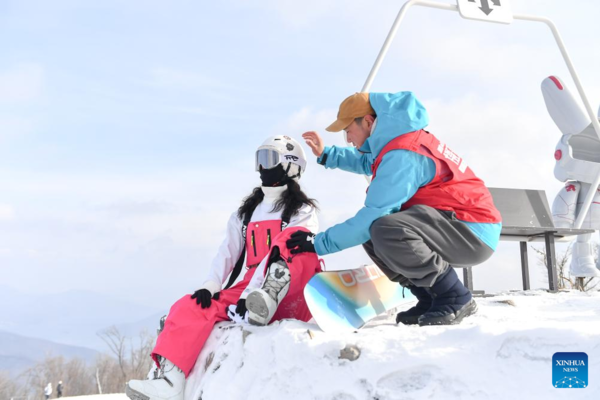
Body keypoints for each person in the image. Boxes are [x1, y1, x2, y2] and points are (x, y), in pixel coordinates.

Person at [126, 135, 321, 400]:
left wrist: (257, 288)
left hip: (291, 288)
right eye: (259, 160)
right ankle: (171, 382)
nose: (262, 168)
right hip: (250, 287)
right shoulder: (247, 213)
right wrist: (212, 284)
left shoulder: (301, 211)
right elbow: (227, 252)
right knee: (188, 306)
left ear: (290, 165)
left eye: (269, 159)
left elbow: (299, 253)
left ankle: (265, 298)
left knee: (293, 240)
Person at [290, 91, 502, 327]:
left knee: (383, 228)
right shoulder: (397, 142)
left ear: (368, 122)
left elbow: (373, 215)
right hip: (457, 224)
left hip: (471, 230)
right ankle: (429, 296)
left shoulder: (403, 154)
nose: (348, 139)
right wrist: (327, 154)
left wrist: (318, 243)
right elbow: (366, 162)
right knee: (374, 233)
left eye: (348, 130)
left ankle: (454, 295)